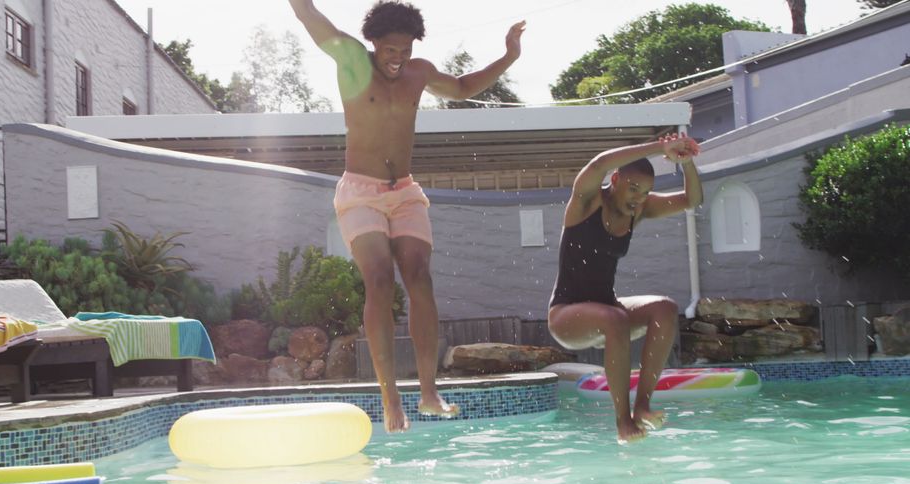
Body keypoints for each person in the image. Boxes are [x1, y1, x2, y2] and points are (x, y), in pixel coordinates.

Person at [288, 0, 525, 432]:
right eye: (390, 49)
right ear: (373, 42)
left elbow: (463, 87)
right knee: (379, 278)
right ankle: (391, 397)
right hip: (360, 191)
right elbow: (309, 16)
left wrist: (508, 56)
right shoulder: (351, 59)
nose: (398, 58)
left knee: (420, 276)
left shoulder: (418, 72)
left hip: (405, 192)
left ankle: (430, 392)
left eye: (406, 49)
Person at [547, 133, 702, 442]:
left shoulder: (639, 210)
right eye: (633, 189)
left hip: (608, 310)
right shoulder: (587, 201)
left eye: (645, 192)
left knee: (665, 308)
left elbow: (691, 200)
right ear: (616, 180)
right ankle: (622, 421)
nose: (638, 198)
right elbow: (599, 163)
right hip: (566, 316)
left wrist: (686, 164)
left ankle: (643, 405)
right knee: (613, 317)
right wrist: (660, 147)